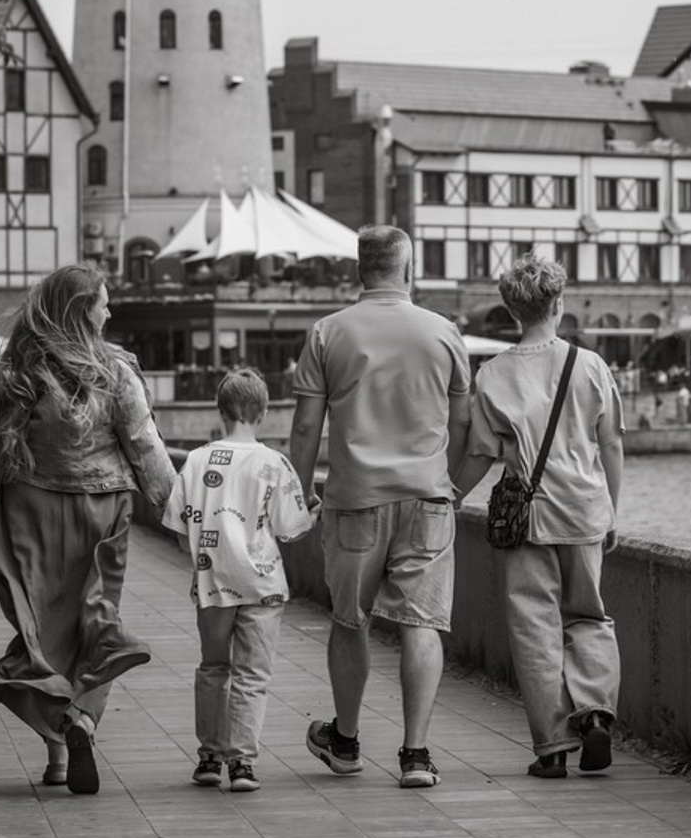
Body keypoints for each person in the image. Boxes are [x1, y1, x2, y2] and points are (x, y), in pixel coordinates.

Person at [0, 264, 175, 795]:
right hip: (101, 511)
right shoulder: (115, 369)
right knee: (96, 625)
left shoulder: (16, 368)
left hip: (27, 511)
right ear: (81, 310)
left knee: (43, 632)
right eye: (103, 302)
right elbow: (145, 446)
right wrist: (179, 510)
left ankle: (57, 755)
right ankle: (83, 721)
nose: (110, 310)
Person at [288, 225, 471, 789]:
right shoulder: (444, 333)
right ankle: (415, 754)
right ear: (408, 266)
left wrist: (301, 489)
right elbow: (464, 423)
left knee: (350, 621)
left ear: (359, 269)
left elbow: (304, 426)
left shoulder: (328, 332)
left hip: (354, 498)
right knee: (421, 625)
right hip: (427, 498)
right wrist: (452, 484)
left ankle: (344, 741)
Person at [453, 255, 624, 780]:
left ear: (511, 309)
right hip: (584, 509)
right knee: (589, 616)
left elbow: (482, 453)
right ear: (560, 304)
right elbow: (610, 441)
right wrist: (612, 511)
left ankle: (552, 747)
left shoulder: (494, 373)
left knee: (534, 628)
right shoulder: (590, 365)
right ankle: (594, 711)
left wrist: (451, 495)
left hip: (525, 515)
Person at [165, 369, 314, 793]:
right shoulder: (273, 463)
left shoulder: (196, 460)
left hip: (213, 583)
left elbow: (180, 530)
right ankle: (243, 764)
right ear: (263, 413)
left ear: (220, 410)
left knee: (213, 667)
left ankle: (210, 756)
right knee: (252, 675)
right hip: (263, 584)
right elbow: (291, 529)